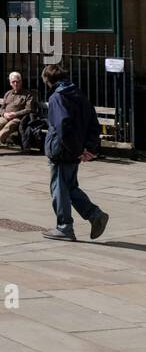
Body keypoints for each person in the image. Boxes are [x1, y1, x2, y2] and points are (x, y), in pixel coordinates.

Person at [41, 63, 109, 242]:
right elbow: (93, 123)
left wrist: (78, 150)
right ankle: (95, 216)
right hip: (73, 149)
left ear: (49, 80)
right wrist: (89, 148)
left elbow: (63, 125)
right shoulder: (79, 94)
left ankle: (65, 227)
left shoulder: (57, 97)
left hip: (62, 150)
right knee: (69, 187)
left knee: (59, 189)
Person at [0, 71, 36, 154]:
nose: (16, 84)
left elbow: (29, 109)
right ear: (10, 83)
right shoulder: (8, 94)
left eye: (17, 81)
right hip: (6, 116)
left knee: (9, 125)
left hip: (18, 118)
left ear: (21, 82)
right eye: (13, 82)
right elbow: (2, 108)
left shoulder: (28, 94)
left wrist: (15, 114)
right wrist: (4, 114)